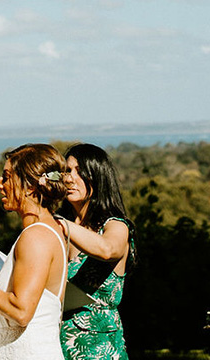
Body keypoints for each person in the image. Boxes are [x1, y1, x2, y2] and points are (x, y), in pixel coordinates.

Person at [0, 143, 69, 360]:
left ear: (30, 186)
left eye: (7, 177)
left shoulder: (36, 236)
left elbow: (21, 311)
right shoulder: (47, 229)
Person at [57, 144, 135, 360]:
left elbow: (108, 250)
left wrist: (61, 223)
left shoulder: (116, 226)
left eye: (79, 172)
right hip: (54, 344)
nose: (69, 178)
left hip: (99, 349)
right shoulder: (59, 229)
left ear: (98, 177)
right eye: (67, 171)